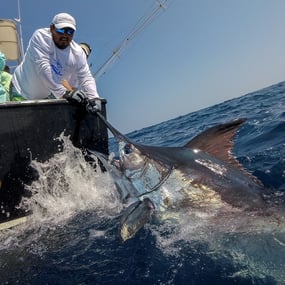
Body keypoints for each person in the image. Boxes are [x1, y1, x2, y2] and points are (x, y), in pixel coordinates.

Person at [11, 13, 101, 111]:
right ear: (52, 28)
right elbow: (43, 67)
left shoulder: (78, 53)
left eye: (70, 32)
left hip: (44, 97)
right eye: (61, 30)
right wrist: (64, 93)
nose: (65, 35)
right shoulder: (41, 36)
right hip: (20, 91)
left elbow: (85, 77)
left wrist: (94, 97)